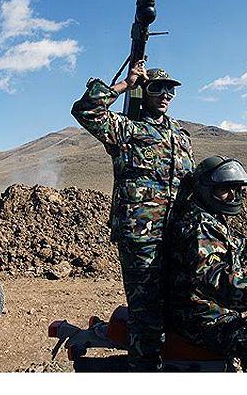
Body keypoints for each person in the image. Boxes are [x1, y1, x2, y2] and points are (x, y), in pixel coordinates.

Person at [71, 60, 194, 371]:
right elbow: (86, 111)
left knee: (181, 307)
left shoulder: (181, 136)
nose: (165, 94)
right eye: (157, 88)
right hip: (142, 239)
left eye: (170, 89)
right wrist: (125, 85)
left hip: (178, 236)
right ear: (145, 91)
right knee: (147, 316)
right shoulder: (127, 130)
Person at [165, 156, 247, 372]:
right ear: (206, 189)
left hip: (210, 310)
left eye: (237, 189)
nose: (233, 196)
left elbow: (233, 245)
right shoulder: (198, 225)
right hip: (201, 318)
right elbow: (213, 278)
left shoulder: (209, 216)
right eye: (225, 189)